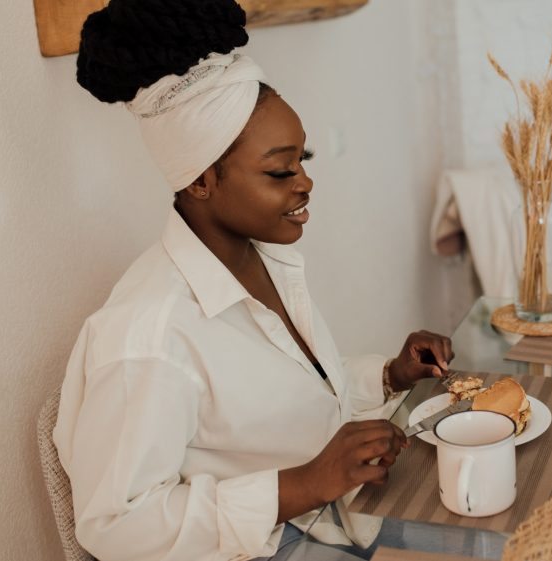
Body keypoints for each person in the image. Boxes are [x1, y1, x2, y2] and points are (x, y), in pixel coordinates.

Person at [52, 1, 454, 560]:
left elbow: (281, 414)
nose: (306, 182)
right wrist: (307, 483)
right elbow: (115, 525)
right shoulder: (149, 335)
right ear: (201, 181)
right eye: (280, 170)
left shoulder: (262, 257)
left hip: (334, 519)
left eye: (303, 159)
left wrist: (387, 376)